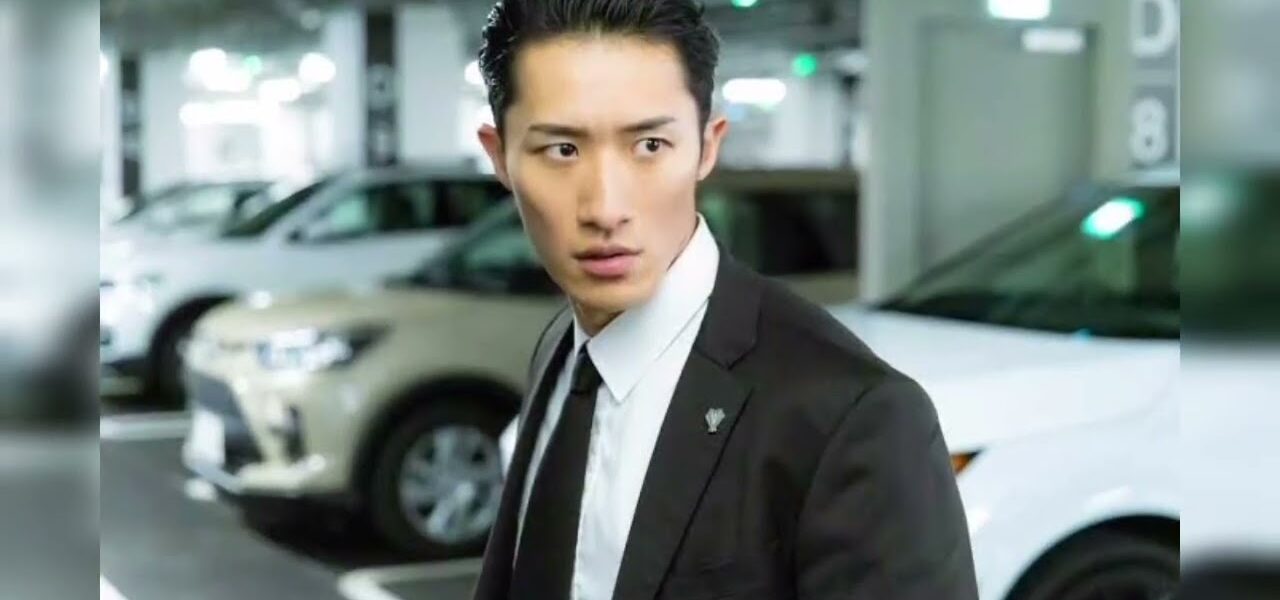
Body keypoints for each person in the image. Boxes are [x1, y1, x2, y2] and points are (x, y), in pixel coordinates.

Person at [469, 1, 979, 598]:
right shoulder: (564, 346)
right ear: (499, 156)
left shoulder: (855, 417)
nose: (606, 208)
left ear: (707, 147)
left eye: (650, 145)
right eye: (562, 150)